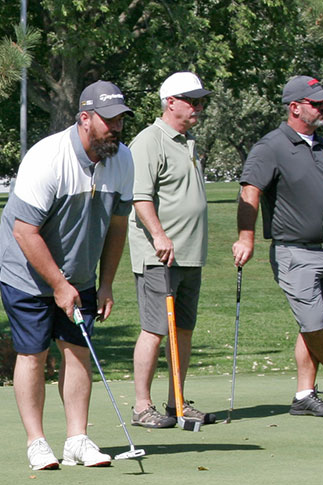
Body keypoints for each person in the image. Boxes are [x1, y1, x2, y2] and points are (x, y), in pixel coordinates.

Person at [0, 80, 134, 470]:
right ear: (85, 118)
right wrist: (57, 284)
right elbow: (24, 231)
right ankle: (37, 443)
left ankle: (77, 439)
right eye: (109, 121)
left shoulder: (122, 160)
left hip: (79, 271)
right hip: (24, 269)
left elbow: (117, 227)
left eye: (121, 120)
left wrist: (104, 283)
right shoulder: (47, 158)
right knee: (33, 352)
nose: (117, 129)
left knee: (77, 349)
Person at [235, 76, 323, 417]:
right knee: (313, 323)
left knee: (318, 324)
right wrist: (245, 236)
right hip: (294, 251)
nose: (322, 107)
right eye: (315, 103)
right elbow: (250, 191)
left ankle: (303, 394)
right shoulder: (271, 146)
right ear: (295, 107)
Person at [127, 71, 215, 429]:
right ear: (170, 102)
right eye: (191, 100)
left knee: (185, 329)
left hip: (190, 254)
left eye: (200, 101)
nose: (198, 107)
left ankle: (176, 401)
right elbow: (139, 196)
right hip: (159, 255)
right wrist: (160, 235)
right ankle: (141, 406)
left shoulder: (187, 141)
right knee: (154, 329)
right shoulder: (150, 140)